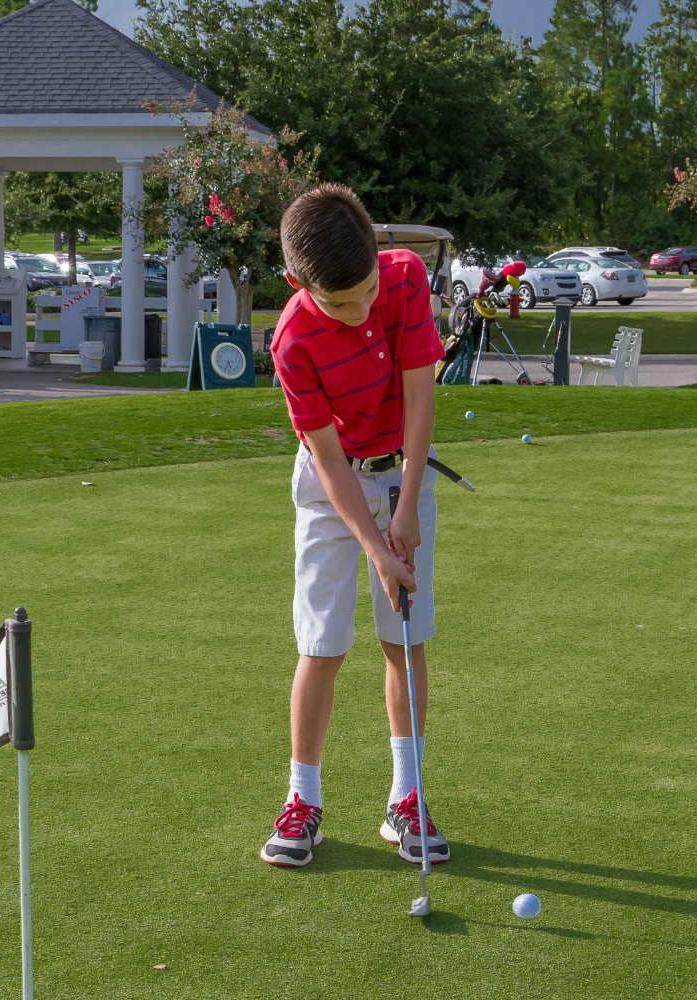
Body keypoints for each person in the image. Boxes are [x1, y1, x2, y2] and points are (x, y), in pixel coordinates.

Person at [258, 183, 448, 869]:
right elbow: (330, 463)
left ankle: (407, 798)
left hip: (402, 471)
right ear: (296, 283)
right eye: (341, 303)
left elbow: (421, 398)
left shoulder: (404, 278)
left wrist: (405, 509)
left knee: (405, 637)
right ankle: (302, 799)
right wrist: (374, 546)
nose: (362, 308)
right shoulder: (292, 341)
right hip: (329, 488)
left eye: (367, 289)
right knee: (323, 644)